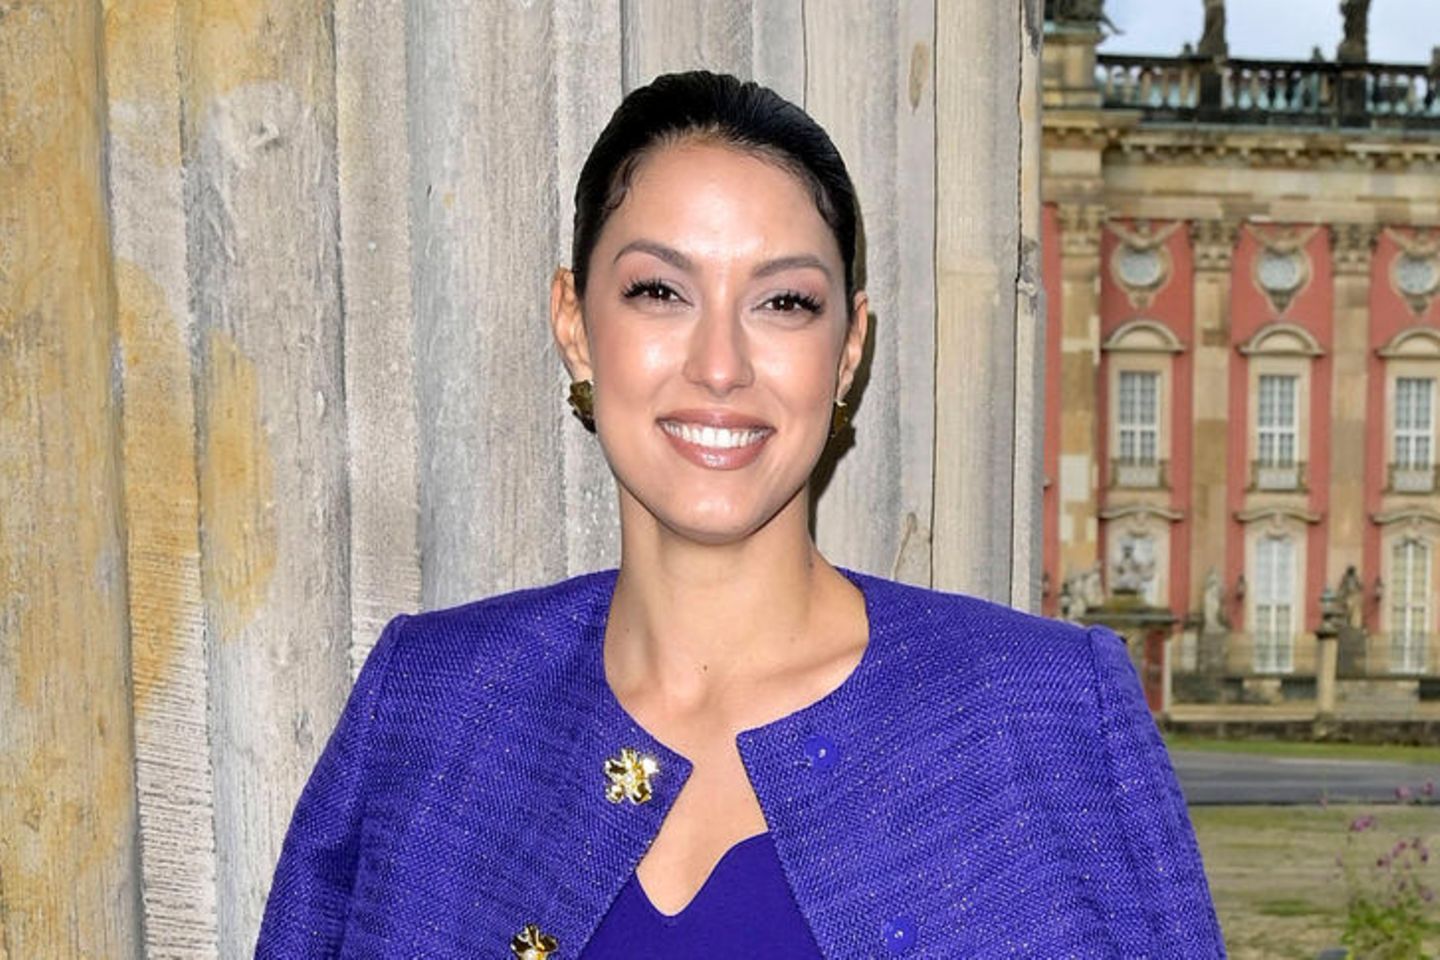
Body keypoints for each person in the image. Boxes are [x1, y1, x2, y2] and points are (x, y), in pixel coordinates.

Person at [256, 70, 1224, 958]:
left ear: (848, 352)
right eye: (659, 291)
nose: (719, 366)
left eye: (785, 303)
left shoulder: (1048, 714)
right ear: (574, 324)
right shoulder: (428, 706)